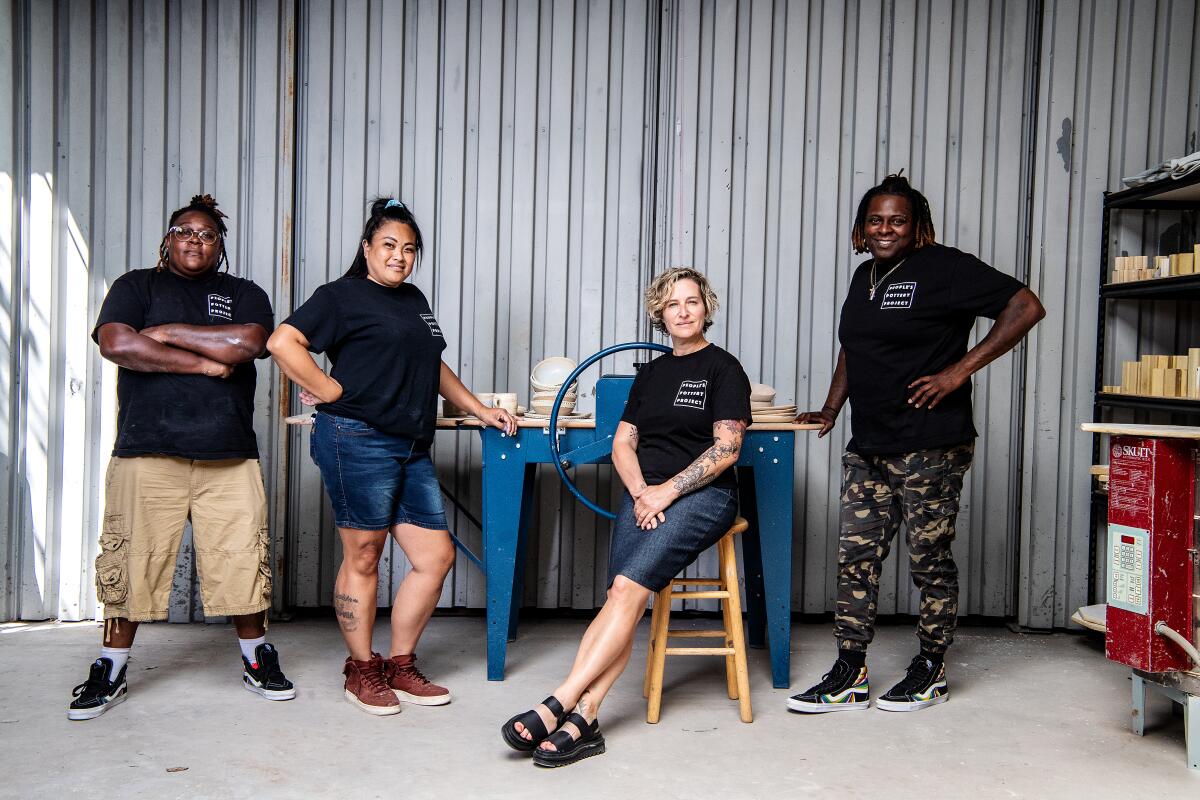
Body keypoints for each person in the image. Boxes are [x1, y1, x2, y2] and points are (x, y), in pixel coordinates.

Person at [788, 173, 1045, 714]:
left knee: (929, 558)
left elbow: (1025, 306)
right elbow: (853, 350)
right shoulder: (865, 277)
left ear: (918, 227)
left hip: (931, 443)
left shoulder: (945, 267)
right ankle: (849, 670)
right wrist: (833, 407)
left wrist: (958, 370)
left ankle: (931, 668)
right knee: (855, 557)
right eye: (876, 220)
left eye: (897, 220)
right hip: (870, 443)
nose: (886, 229)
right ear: (862, 229)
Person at [268, 198, 515, 716]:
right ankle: (361, 670)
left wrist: (478, 409)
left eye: (409, 249)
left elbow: (434, 365)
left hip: (409, 445)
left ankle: (400, 664)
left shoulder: (413, 299)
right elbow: (282, 341)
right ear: (367, 248)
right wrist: (329, 389)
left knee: (435, 557)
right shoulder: (340, 297)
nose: (400, 256)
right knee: (365, 555)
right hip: (355, 439)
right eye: (389, 246)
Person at [501, 267, 751, 767]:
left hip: (704, 496)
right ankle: (586, 720)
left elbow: (727, 449)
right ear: (659, 313)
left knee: (626, 590)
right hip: (646, 495)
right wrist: (642, 492)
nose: (683, 311)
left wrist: (667, 492)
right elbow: (623, 442)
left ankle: (560, 702)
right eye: (672, 303)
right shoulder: (652, 374)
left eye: (692, 302)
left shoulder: (724, 369)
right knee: (623, 594)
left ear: (707, 308)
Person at [69, 194, 294, 721]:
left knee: (244, 560)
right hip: (146, 451)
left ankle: (256, 657)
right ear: (167, 239)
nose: (195, 240)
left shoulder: (242, 292)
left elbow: (248, 342)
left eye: (207, 234)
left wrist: (167, 334)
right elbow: (118, 343)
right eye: (185, 231)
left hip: (229, 454)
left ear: (220, 246)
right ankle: (111, 665)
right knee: (129, 561)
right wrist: (202, 365)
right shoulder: (135, 286)